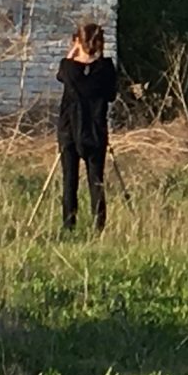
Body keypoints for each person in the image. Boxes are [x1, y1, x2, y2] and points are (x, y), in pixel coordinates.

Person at [55, 21, 119, 233]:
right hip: (95, 130)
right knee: (96, 180)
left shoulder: (67, 67)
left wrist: (73, 52)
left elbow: (60, 75)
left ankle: (69, 226)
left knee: (69, 180)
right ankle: (98, 227)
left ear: (77, 42)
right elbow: (111, 95)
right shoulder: (106, 68)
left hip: (69, 131)